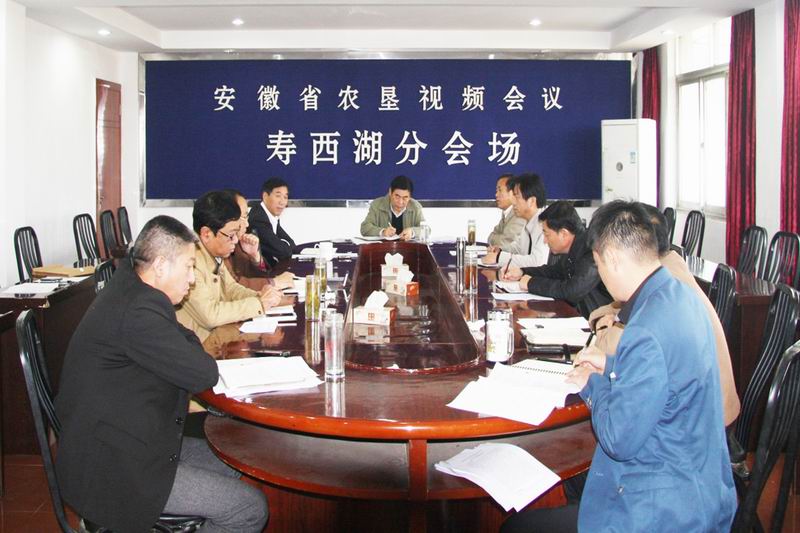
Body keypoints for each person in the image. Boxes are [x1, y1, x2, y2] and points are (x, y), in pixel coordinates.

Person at [501, 201, 736, 533]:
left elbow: (617, 439)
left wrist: (590, 381)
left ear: (611, 258)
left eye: (598, 265)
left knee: (518, 527)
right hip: (699, 480)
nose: (600, 276)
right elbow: (666, 375)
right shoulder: (678, 295)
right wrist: (612, 363)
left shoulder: (646, 328)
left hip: (664, 509)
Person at [55, 215, 268, 533]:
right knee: (249, 509)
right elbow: (202, 372)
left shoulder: (132, 288)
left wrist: (185, 340)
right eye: (188, 267)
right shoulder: (139, 312)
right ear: (159, 266)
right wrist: (186, 342)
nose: (192, 279)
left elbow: (187, 340)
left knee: (241, 461)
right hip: (114, 468)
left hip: (133, 439)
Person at [589, 203, 740, 426]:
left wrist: (590, 383)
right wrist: (608, 320)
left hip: (702, 422)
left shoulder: (663, 292)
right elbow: (611, 309)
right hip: (698, 412)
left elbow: (612, 347)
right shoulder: (664, 271)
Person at [177, 190, 282, 342]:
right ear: (206, 234)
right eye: (231, 235)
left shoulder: (213, 254)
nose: (235, 240)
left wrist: (259, 296)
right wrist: (258, 304)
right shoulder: (191, 263)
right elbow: (210, 315)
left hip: (216, 340)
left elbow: (231, 289)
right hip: (197, 346)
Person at [502, 200, 611, 318]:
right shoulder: (575, 247)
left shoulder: (591, 250)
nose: (545, 241)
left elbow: (573, 291)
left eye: (547, 234)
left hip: (597, 323)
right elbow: (554, 271)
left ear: (564, 234)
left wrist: (531, 283)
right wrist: (522, 271)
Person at [224, 188, 294, 291]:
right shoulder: (221, 245)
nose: (247, 224)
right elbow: (232, 287)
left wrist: (255, 257)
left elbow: (264, 274)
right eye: (243, 217)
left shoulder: (239, 241)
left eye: (285, 197)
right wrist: (273, 283)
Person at [483, 173, 549, 268]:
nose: (513, 202)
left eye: (517, 197)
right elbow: (518, 248)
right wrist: (500, 250)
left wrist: (499, 258)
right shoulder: (529, 221)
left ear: (531, 201)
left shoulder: (546, 225)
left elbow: (537, 262)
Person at [360, 175, 425, 241]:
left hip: (407, 246)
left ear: (410, 197)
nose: (400, 202)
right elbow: (364, 228)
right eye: (397, 196)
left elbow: (426, 229)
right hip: (384, 246)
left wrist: (412, 232)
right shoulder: (377, 205)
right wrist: (383, 232)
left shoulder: (415, 207)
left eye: (405, 198)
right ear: (390, 192)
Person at [248, 177, 296, 266]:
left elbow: (292, 244)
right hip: (258, 271)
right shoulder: (258, 219)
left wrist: (284, 245)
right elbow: (283, 252)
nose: (282, 202)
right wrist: (284, 245)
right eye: (278, 196)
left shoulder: (270, 216)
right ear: (265, 196)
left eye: (285, 197)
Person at [486, 173, 526, 250]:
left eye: (500, 190)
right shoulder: (506, 213)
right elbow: (490, 237)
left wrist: (497, 238)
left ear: (512, 193)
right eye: (496, 191)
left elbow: (506, 243)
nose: (496, 194)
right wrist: (499, 237)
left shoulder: (519, 215)